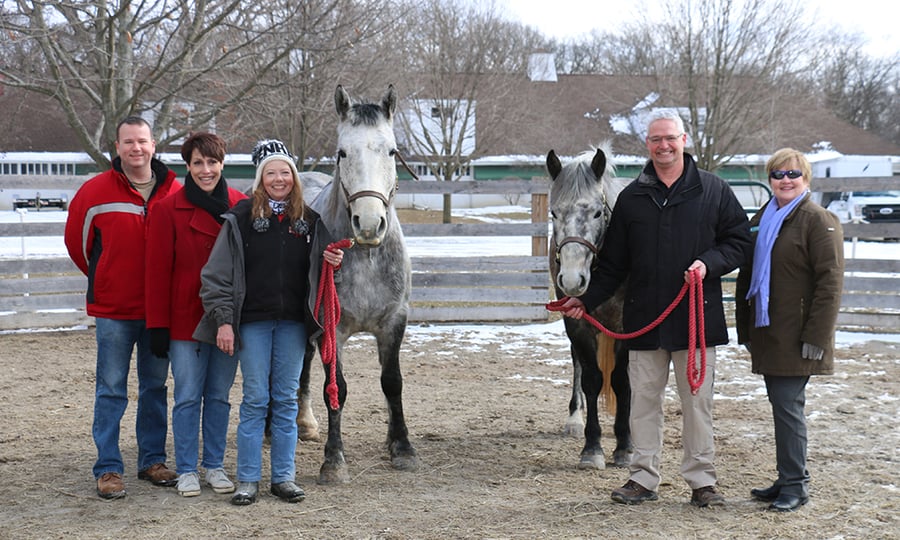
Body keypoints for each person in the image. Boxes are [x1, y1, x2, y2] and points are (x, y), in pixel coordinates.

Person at [557, 109, 751, 507]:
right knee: (643, 402)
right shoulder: (632, 198)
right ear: (648, 145)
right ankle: (643, 478)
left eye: (670, 138)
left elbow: (740, 242)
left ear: (684, 140)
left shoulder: (713, 190)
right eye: (656, 139)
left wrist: (708, 263)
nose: (664, 145)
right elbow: (613, 266)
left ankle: (702, 482)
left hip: (695, 316)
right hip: (645, 318)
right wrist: (585, 301)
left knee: (697, 405)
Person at [193, 139, 344, 505]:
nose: (279, 179)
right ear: (260, 179)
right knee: (256, 399)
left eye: (285, 172)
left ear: (293, 176)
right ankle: (248, 479)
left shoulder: (309, 222)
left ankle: (283, 477)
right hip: (253, 323)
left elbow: (326, 276)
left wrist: (333, 263)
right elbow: (216, 277)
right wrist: (225, 322)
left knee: (286, 400)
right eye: (271, 173)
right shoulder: (240, 220)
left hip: (293, 324)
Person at [64, 116, 182, 499]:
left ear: (153, 144)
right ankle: (109, 468)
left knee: (154, 387)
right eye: (128, 142)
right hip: (115, 311)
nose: (136, 148)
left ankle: (151, 460)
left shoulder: (173, 191)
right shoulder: (95, 192)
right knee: (111, 389)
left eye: (142, 141)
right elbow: (78, 245)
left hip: (159, 311)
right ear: (117, 147)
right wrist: (106, 276)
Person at [735, 148, 844, 512]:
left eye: (792, 174)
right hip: (769, 331)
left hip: (798, 336)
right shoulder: (765, 216)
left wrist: (816, 337)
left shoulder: (817, 219)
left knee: (788, 407)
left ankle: (796, 485)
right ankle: (786, 477)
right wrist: (746, 328)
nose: (785, 180)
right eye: (778, 174)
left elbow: (830, 283)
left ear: (806, 179)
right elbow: (748, 273)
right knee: (781, 406)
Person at [145, 132, 247, 497]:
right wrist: (157, 325)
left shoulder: (242, 205)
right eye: (198, 163)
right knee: (187, 395)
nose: (206, 170)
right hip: (185, 318)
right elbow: (156, 272)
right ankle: (187, 468)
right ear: (187, 166)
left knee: (219, 395)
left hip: (227, 321)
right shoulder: (167, 210)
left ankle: (214, 465)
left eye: (212, 162)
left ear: (223, 163)